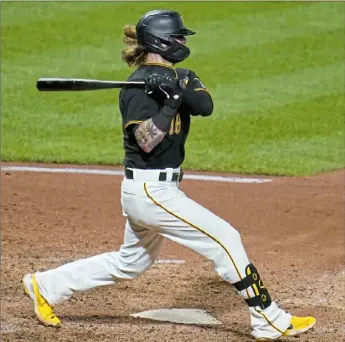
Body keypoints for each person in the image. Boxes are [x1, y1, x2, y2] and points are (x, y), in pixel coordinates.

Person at [22, 9, 316, 341]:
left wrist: (174, 87)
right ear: (161, 41)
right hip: (149, 191)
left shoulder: (181, 74)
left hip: (154, 190)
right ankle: (269, 319)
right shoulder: (134, 89)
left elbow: (205, 106)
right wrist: (169, 103)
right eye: (177, 37)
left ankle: (45, 285)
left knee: (130, 263)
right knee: (226, 238)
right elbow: (145, 141)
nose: (182, 42)